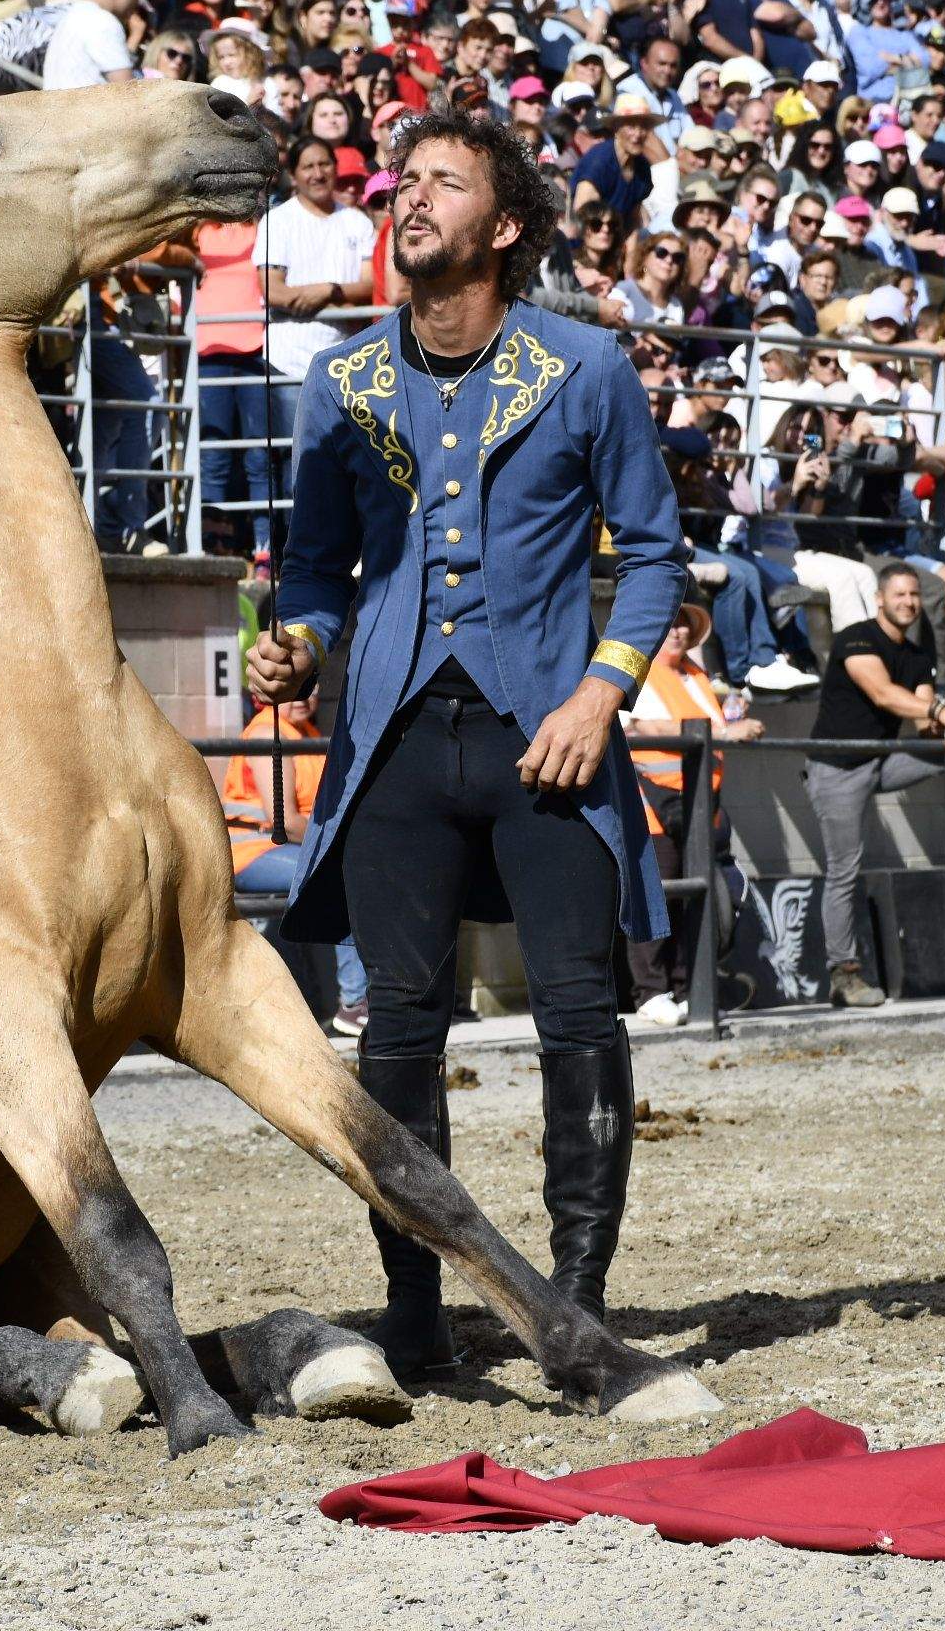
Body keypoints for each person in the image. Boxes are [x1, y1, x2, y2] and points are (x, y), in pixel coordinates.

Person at [248, 104, 687, 1371]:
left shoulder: (587, 366)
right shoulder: (340, 384)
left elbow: (653, 554)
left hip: (547, 733)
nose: (410, 194)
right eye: (404, 177)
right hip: (389, 745)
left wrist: (601, 694)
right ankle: (417, 1308)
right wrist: (306, 643)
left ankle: (580, 1296)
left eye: (443, 180)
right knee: (395, 1027)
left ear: (502, 227)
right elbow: (316, 570)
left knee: (577, 1016)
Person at [804, 562, 945, 1011]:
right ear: (879, 598)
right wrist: (943, 710)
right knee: (845, 869)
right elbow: (882, 693)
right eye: (899, 595)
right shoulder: (857, 638)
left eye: (914, 595)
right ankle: (844, 977)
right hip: (838, 768)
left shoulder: (919, 655)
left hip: (880, 762)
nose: (908, 603)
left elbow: (921, 715)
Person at [621, 601, 761, 1028]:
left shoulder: (697, 676)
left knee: (691, 900)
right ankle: (650, 991)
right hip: (653, 804)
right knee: (657, 897)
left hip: (698, 802)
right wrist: (723, 731)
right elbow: (644, 726)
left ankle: (684, 987)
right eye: (671, 623)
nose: (678, 632)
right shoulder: (637, 668)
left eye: (684, 624)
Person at [243, 134, 375, 561]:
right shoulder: (277, 221)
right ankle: (284, 551)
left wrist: (325, 291)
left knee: (341, 460)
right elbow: (273, 291)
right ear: (294, 175)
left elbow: (372, 285)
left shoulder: (356, 221)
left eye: (325, 164)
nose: (318, 173)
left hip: (344, 362)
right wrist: (336, 293)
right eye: (308, 167)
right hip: (288, 360)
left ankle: (336, 552)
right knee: (289, 458)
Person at [220, 690, 369, 1032]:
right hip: (252, 852)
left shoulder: (310, 735)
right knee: (338, 880)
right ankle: (354, 1003)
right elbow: (283, 820)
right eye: (295, 688)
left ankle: (372, 1000)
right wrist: (340, 845)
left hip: (293, 850)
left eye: (313, 685)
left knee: (362, 873)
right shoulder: (265, 733)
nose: (305, 695)